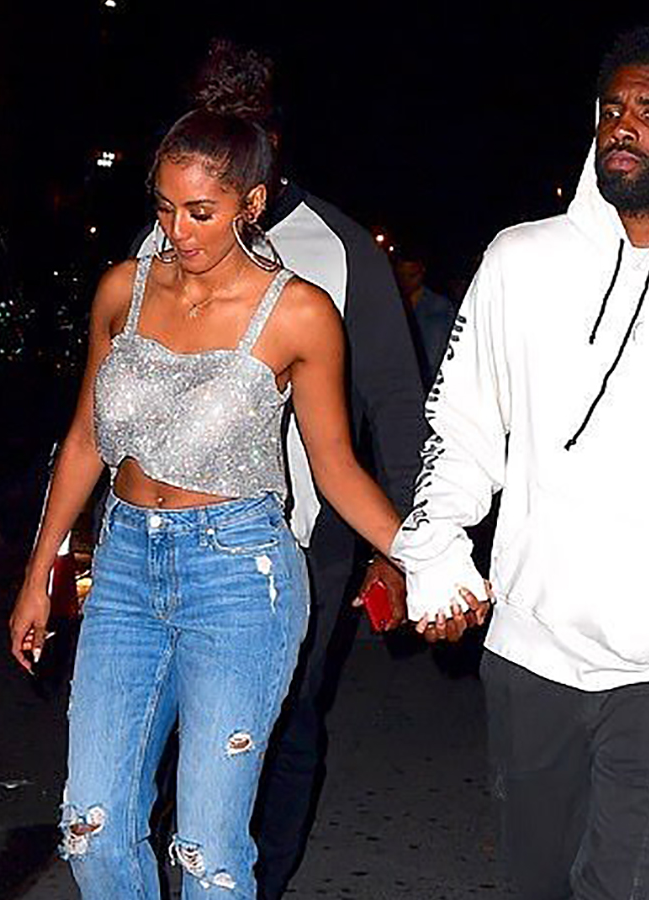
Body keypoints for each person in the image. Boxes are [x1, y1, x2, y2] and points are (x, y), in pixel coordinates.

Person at [391, 27, 649, 899]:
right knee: (537, 882)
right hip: (528, 647)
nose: (623, 126)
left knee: (631, 885)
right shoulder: (520, 261)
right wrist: (434, 548)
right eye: (613, 108)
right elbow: (463, 424)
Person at [8, 55, 405, 900]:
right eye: (163, 207)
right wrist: (41, 569)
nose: (177, 231)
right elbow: (85, 438)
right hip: (123, 566)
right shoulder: (123, 288)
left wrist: (421, 556)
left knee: (209, 850)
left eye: (200, 212)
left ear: (250, 204)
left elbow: (337, 467)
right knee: (92, 831)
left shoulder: (299, 310)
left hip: (239, 574)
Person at [134, 43, 427, 900]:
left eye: (243, 132)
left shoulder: (338, 250)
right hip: (161, 537)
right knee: (166, 729)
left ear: (271, 145)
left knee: (279, 723)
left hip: (302, 542)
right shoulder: (159, 238)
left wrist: (403, 547)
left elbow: (397, 406)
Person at [392, 246, 457, 386]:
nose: (405, 282)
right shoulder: (390, 304)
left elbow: (434, 357)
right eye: (401, 276)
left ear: (422, 272)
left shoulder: (439, 308)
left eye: (412, 276)